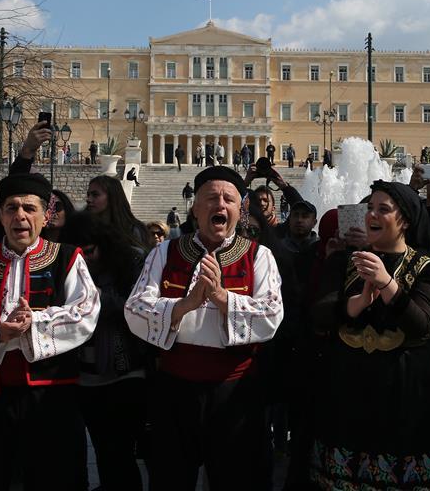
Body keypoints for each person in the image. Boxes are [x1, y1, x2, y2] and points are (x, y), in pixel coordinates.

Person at [0, 173, 100, 490]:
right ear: (0, 215)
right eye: (11, 208)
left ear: (45, 216)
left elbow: (87, 311)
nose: (20, 216)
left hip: (52, 397)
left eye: (29, 208)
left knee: (56, 478)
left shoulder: (66, 257)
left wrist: (33, 325)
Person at [125, 166, 283, 490]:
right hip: (175, 391)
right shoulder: (164, 252)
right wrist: (185, 305)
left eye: (228, 199)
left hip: (235, 393)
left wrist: (224, 299)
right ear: (195, 208)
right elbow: (135, 310)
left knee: (238, 479)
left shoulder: (259, 256)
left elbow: (272, 315)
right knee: (170, 477)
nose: (220, 205)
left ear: (241, 209)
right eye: (211, 198)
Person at [309, 180, 430, 489]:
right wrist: (358, 303)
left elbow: (422, 323)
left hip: (406, 390)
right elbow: (319, 314)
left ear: (404, 220)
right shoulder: (346, 262)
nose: (372, 215)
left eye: (383, 209)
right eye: (369, 209)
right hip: (347, 387)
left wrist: (387, 284)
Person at [63, 211, 148, 491]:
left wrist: (94, 295)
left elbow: (135, 309)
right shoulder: (67, 267)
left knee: (120, 450)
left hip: (126, 371)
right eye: (80, 255)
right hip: (86, 375)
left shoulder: (130, 261)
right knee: (104, 450)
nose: (86, 260)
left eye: (90, 251)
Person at [86, 175, 149, 251]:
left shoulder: (134, 230)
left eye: (95, 195)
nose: (88, 199)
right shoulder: (83, 229)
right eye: (88, 195)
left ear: (112, 196)